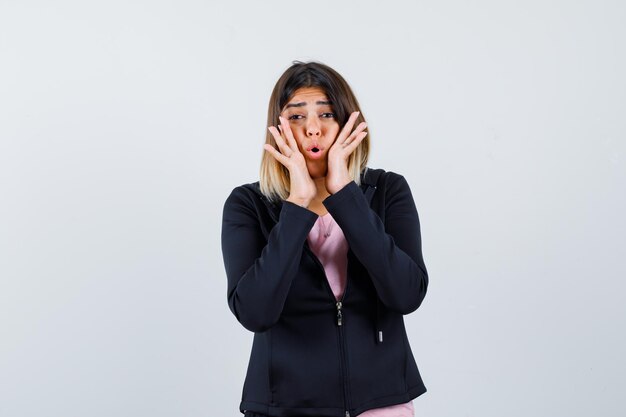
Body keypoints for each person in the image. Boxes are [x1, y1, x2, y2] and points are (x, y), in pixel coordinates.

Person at [221, 61, 429, 417]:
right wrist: (297, 204)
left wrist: (345, 194)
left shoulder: (388, 190)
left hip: (381, 403)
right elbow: (255, 312)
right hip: (283, 406)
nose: (313, 130)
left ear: (349, 121)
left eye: (327, 114)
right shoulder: (248, 204)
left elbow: (406, 294)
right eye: (297, 116)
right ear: (277, 129)